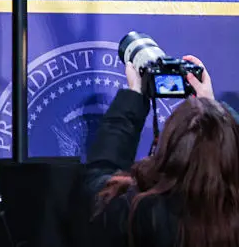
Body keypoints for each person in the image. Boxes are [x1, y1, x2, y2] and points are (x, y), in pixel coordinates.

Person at [83, 56, 239, 247]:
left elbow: (99, 179)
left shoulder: (139, 213)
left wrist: (134, 96)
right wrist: (216, 114)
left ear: (170, 148)